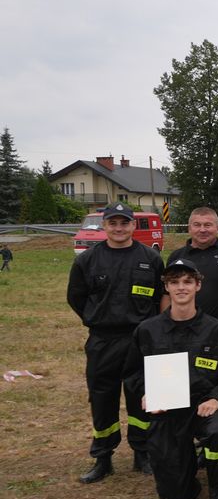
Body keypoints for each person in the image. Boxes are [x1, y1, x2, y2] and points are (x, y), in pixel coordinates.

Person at [129, 258, 218, 499]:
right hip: (167, 408)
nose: (181, 287)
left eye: (188, 282)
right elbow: (133, 373)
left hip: (204, 405)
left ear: (198, 286)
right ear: (166, 287)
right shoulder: (147, 330)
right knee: (175, 498)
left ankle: (217, 491)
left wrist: (217, 398)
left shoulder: (216, 330)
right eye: (174, 282)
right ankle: (184, 470)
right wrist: (146, 394)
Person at [67, 202, 164, 483]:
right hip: (103, 340)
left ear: (133, 225)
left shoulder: (150, 258)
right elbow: (76, 297)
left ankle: (142, 452)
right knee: (102, 399)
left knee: (141, 399)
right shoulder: (87, 260)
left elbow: (161, 297)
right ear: (105, 226)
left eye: (124, 223)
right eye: (113, 223)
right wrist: (96, 318)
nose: (119, 228)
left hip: (140, 340)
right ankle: (103, 457)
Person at [165, 207, 218, 323]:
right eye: (197, 225)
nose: (202, 230)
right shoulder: (176, 257)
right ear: (189, 228)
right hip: (185, 328)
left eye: (207, 225)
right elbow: (167, 295)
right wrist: (166, 323)